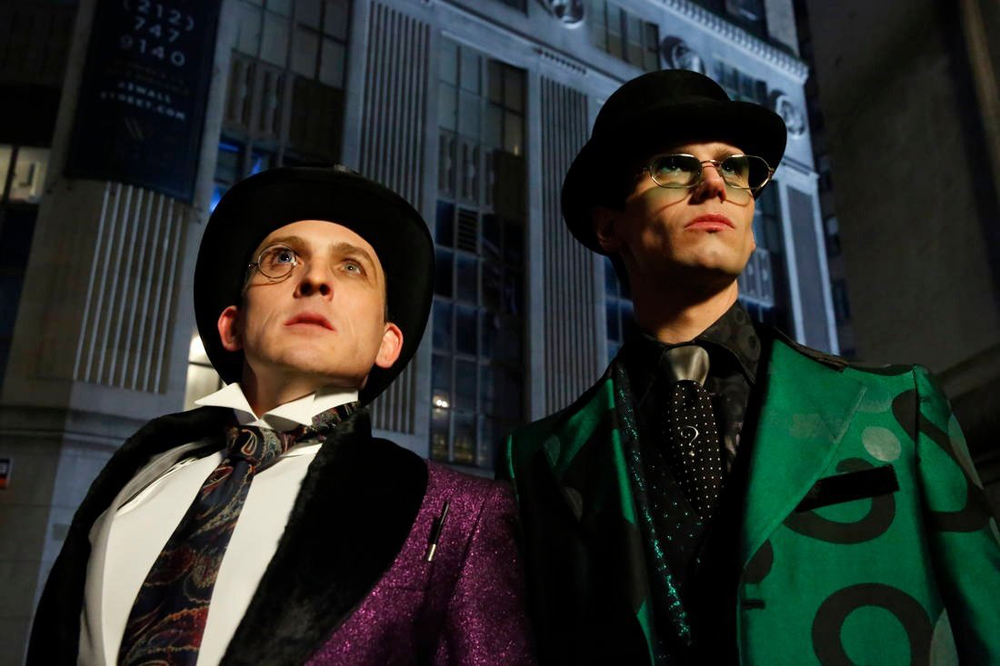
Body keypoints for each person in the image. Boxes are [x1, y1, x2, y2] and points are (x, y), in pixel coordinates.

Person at [502, 70, 1000, 665]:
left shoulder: (897, 406)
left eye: (736, 169)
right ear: (609, 226)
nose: (715, 185)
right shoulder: (538, 460)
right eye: (675, 166)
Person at [28, 166, 534, 665]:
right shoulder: (131, 484)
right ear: (232, 325)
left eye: (351, 267)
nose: (314, 278)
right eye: (283, 258)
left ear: (388, 342)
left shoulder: (458, 516)